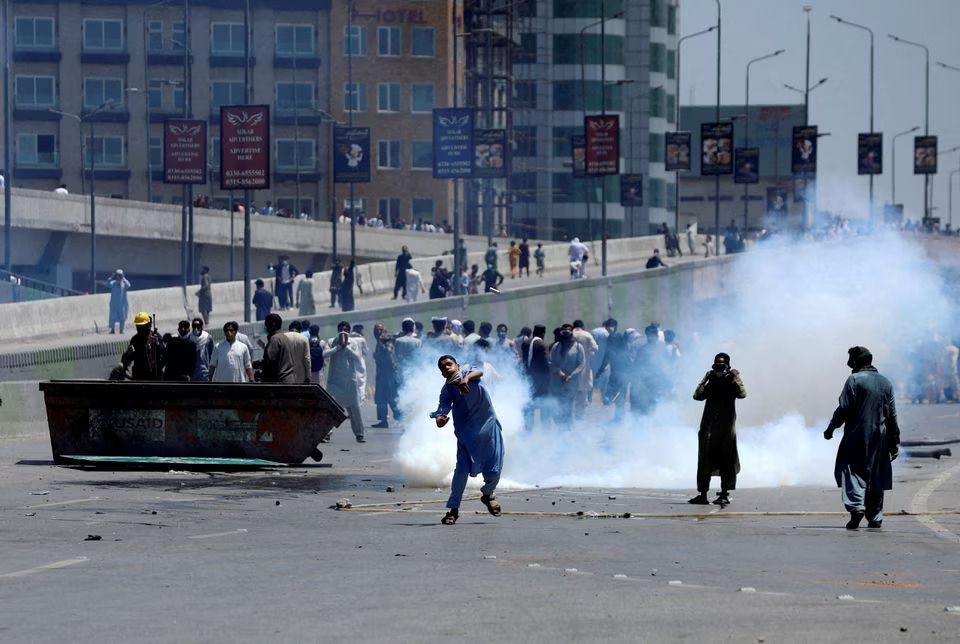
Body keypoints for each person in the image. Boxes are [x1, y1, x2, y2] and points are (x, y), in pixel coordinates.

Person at [823, 346, 901, 530]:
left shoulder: (854, 380)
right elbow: (892, 415)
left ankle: (857, 507)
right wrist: (894, 441)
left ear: (856, 361)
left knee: (852, 471)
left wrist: (831, 428)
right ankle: (875, 516)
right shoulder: (885, 382)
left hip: (855, 435)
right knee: (876, 474)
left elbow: (844, 408)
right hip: (879, 437)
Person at [429, 355, 505, 525]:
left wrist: (466, 379)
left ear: (457, 365)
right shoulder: (447, 390)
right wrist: (440, 419)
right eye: (443, 368)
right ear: (442, 374)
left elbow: (479, 371)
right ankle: (453, 510)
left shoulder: (469, 371)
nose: (447, 368)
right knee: (461, 471)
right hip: (467, 434)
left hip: (488, 428)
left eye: (449, 364)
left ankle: (488, 494)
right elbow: (442, 409)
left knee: (494, 469)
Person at [689, 352, 747, 507]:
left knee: (726, 462)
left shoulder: (731, 381)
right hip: (708, 429)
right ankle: (703, 494)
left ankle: (724, 493)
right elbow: (697, 396)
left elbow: (742, 394)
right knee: (704, 462)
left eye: (722, 365)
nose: (719, 368)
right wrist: (705, 379)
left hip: (726, 430)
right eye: (716, 365)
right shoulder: (711, 382)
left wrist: (736, 377)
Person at [324, 322, 367, 442]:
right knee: (330, 408)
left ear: (349, 331)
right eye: (341, 329)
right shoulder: (332, 341)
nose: (343, 331)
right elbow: (324, 354)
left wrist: (346, 347)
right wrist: (338, 347)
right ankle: (327, 433)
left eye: (345, 329)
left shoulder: (354, 342)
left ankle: (359, 434)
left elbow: (357, 357)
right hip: (334, 382)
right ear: (337, 330)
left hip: (350, 382)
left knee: (355, 409)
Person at [371, 322, 401, 429]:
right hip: (382, 374)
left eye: (380, 330)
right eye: (376, 330)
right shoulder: (379, 342)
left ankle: (400, 418)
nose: (378, 332)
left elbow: (390, 355)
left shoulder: (387, 341)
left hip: (390, 374)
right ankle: (383, 420)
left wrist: (382, 345)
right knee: (380, 398)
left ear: (385, 331)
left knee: (392, 398)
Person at [119, 312, 163, 380]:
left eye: (142, 326)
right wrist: (128, 354)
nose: (140, 328)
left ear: (147, 325)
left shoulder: (155, 337)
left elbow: (164, 355)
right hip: (139, 375)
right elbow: (128, 358)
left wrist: (157, 345)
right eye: (138, 326)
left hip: (154, 377)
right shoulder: (135, 339)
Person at [260, 313, 301, 384]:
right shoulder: (285, 338)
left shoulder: (275, 339)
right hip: (289, 380)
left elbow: (270, 362)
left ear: (273, 325)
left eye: (266, 325)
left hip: (278, 384)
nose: (266, 327)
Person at [188, 317, 214, 382]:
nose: (196, 328)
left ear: (202, 327)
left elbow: (212, 355)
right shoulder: (189, 339)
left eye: (198, 326)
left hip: (205, 371)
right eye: (194, 326)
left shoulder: (208, 338)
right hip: (192, 372)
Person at [107, 269, 130, 334]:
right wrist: (111, 277)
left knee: (122, 317)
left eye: (120, 275)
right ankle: (112, 330)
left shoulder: (124, 284)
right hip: (114, 304)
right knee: (113, 317)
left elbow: (129, 285)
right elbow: (108, 284)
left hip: (122, 304)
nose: (118, 277)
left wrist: (124, 278)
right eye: (117, 275)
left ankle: (121, 330)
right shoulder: (113, 283)